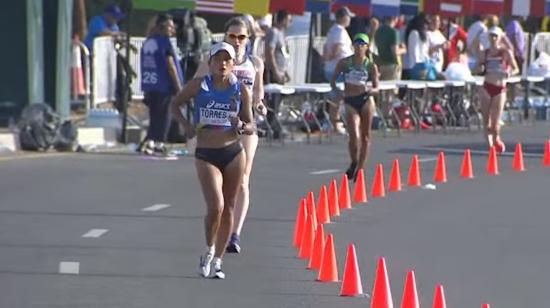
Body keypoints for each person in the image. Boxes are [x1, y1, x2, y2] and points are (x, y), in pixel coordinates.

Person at [171, 42, 254, 279]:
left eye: (228, 60)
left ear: (233, 64)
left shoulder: (240, 91)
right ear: (210, 63)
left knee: (228, 207)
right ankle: (208, 250)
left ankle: (218, 260)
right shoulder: (199, 86)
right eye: (218, 59)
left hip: (233, 152)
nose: (223, 63)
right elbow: (175, 104)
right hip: (206, 153)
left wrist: (242, 126)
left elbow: (251, 125)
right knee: (215, 206)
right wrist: (186, 125)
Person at [194, 17, 266, 254]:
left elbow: (258, 93)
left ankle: (235, 234)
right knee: (221, 184)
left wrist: (259, 106)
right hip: (217, 126)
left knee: (244, 179)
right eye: (232, 36)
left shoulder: (255, 63)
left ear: (248, 39)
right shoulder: (214, 61)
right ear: (225, 37)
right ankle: (220, 225)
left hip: (243, 125)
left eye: (241, 37)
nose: (236, 41)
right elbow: (196, 86)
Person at [330, 33, 379, 181]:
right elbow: (333, 80)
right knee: (354, 135)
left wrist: (372, 90)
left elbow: (377, 87)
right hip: (350, 100)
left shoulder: (370, 66)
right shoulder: (345, 63)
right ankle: (354, 161)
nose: (359, 47)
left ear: (366, 47)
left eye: (362, 44)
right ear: (353, 46)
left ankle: (360, 169)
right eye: (356, 44)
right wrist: (338, 91)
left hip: (365, 100)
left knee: (365, 137)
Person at [140, 14, 183, 155]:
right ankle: (160, 142)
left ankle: (151, 141)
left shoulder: (147, 42)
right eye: (170, 26)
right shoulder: (164, 42)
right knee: (165, 115)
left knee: (154, 115)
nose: (172, 29)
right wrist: (179, 88)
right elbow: (170, 65)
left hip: (150, 84)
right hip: (164, 85)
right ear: (161, 26)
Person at [474, 27, 518, 153]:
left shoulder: (505, 52)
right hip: (487, 86)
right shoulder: (485, 53)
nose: (493, 38)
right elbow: (476, 67)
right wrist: (479, 69)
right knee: (486, 121)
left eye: (495, 36)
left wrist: (509, 72)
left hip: (500, 88)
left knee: (495, 124)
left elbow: (516, 68)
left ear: (500, 38)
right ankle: (490, 147)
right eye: (491, 36)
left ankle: (496, 137)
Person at [323, 7, 354, 135]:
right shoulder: (339, 31)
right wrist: (330, 58)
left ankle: (334, 122)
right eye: (348, 17)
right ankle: (334, 123)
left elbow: (326, 47)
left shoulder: (334, 30)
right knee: (338, 96)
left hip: (334, 67)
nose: (350, 19)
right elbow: (336, 48)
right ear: (342, 17)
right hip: (337, 68)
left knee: (338, 96)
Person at [264, 10, 292, 139]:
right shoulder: (273, 32)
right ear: (284, 19)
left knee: (278, 100)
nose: (290, 22)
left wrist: (285, 72)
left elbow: (283, 53)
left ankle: (274, 125)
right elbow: (270, 52)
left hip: (281, 71)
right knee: (273, 100)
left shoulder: (282, 33)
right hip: (273, 72)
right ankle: (271, 126)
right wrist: (275, 71)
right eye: (289, 19)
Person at [375, 15, 406, 81]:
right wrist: (404, 49)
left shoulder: (378, 31)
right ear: (395, 18)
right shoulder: (393, 32)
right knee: (392, 89)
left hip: (381, 64)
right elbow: (395, 52)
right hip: (393, 65)